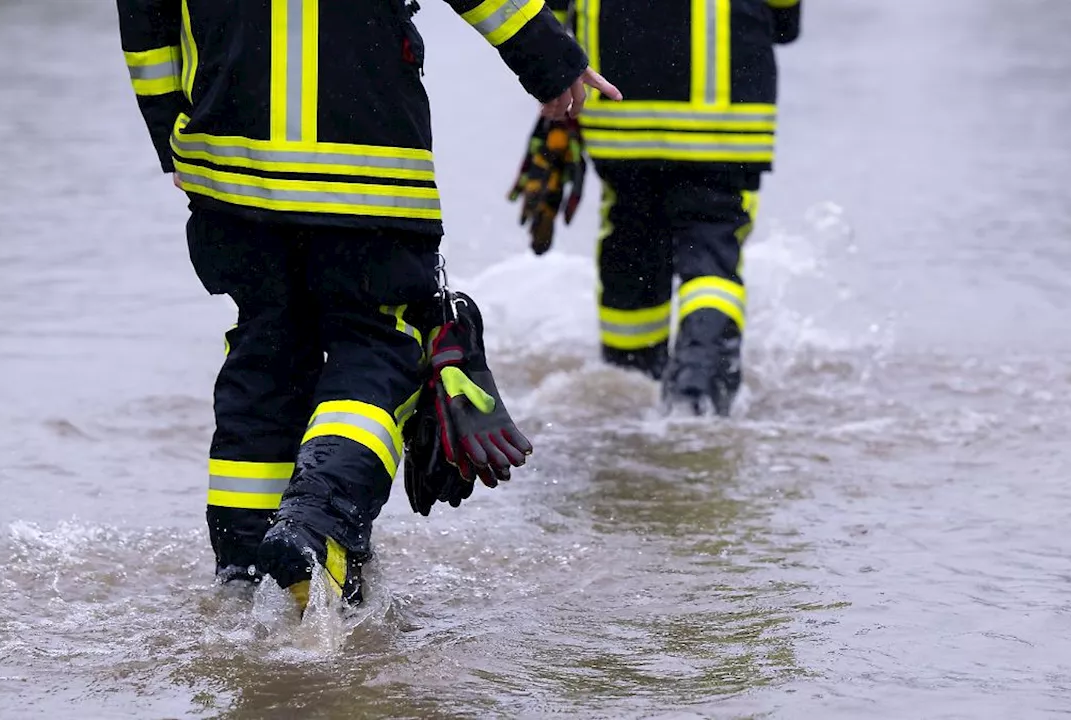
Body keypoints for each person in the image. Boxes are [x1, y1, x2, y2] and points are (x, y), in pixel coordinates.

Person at [115, 0, 620, 606]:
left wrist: (168, 127)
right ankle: (316, 522)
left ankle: (243, 575)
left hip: (231, 169)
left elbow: (145, 18)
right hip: (368, 166)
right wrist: (550, 58)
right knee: (381, 347)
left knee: (265, 355)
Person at [510, 0, 802, 416]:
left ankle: (627, 401)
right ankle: (696, 401)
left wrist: (555, 84)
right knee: (712, 258)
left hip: (618, 117)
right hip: (722, 126)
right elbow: (786, 21)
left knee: (630, 248)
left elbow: (546, 11)